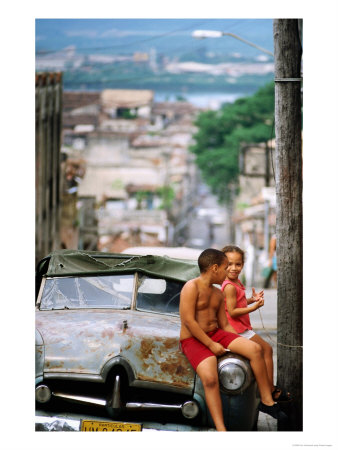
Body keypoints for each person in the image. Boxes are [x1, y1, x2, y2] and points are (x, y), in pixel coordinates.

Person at [179, 248, 287, 431]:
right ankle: (221, 429)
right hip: (193, 339)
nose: (227, 272)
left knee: (255, 349)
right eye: (224, 267)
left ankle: (267, 401)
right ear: (214, 268)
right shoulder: (191, 286)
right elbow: (188, 321)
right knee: (211, 379)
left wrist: (237, 343)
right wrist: (211, 344)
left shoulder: (217, 293)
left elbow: (225, 325)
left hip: (216, 334)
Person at [220, 244, 290, 403]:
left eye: (238, 264)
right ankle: (269, 390)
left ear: (243, 265)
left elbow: (238, 302)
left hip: (242, 327)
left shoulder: (236, 282)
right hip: (236, 330)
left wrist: (251, 299)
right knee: (265, 349)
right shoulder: (229, 286)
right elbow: (232, 311)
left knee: (267, 349)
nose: (233, 268)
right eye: (229, 264)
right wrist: (254, 307)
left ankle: (269, 388)